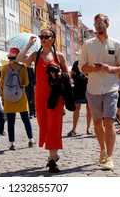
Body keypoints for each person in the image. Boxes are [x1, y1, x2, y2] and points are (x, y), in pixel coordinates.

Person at [16, 29, 69, 173]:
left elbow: (67, 77)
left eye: (46, 36)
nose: (43, 39)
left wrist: (58, 75)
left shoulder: (59, 56)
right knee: (44, 124)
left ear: (53, 39)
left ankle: (52, 160)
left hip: (56, 94)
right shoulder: (35, 55)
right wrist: (28, 45)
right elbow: (19, 59)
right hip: (40, 95)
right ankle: (54, 154)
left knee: (54, 125)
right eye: (41, 36)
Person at [79, 14, 120, 171]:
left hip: (111, 88)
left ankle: (110, 157)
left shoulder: (116, 44)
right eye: (96, 24)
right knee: (97, 123)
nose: (98, 26)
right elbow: (82, 67)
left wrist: (111, 68)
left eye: (101, 23)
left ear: (107, 24)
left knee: (109, 121)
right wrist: (92, 68)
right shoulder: (88, 44)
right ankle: (102, 149)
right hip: (93, 89)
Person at [0, 48, 35, 151]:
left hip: (8, 97)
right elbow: (26, 83)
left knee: (11, 121)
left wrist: (2, 97)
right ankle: (31, 139)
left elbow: (2, 84)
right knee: (25, 119)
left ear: (9, 57)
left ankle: (12, 143)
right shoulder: (22, 68)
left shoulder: (4, 68)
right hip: (20, 95)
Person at [67, 60, 92, 137]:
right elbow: (71, 74)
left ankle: (88, 128)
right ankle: (74, 128)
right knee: (77, 108)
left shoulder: (90, 62)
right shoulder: (77, 62)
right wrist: (77, 77)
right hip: (78, 88)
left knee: (89, 108)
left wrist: (88, 77)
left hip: (89, 87)